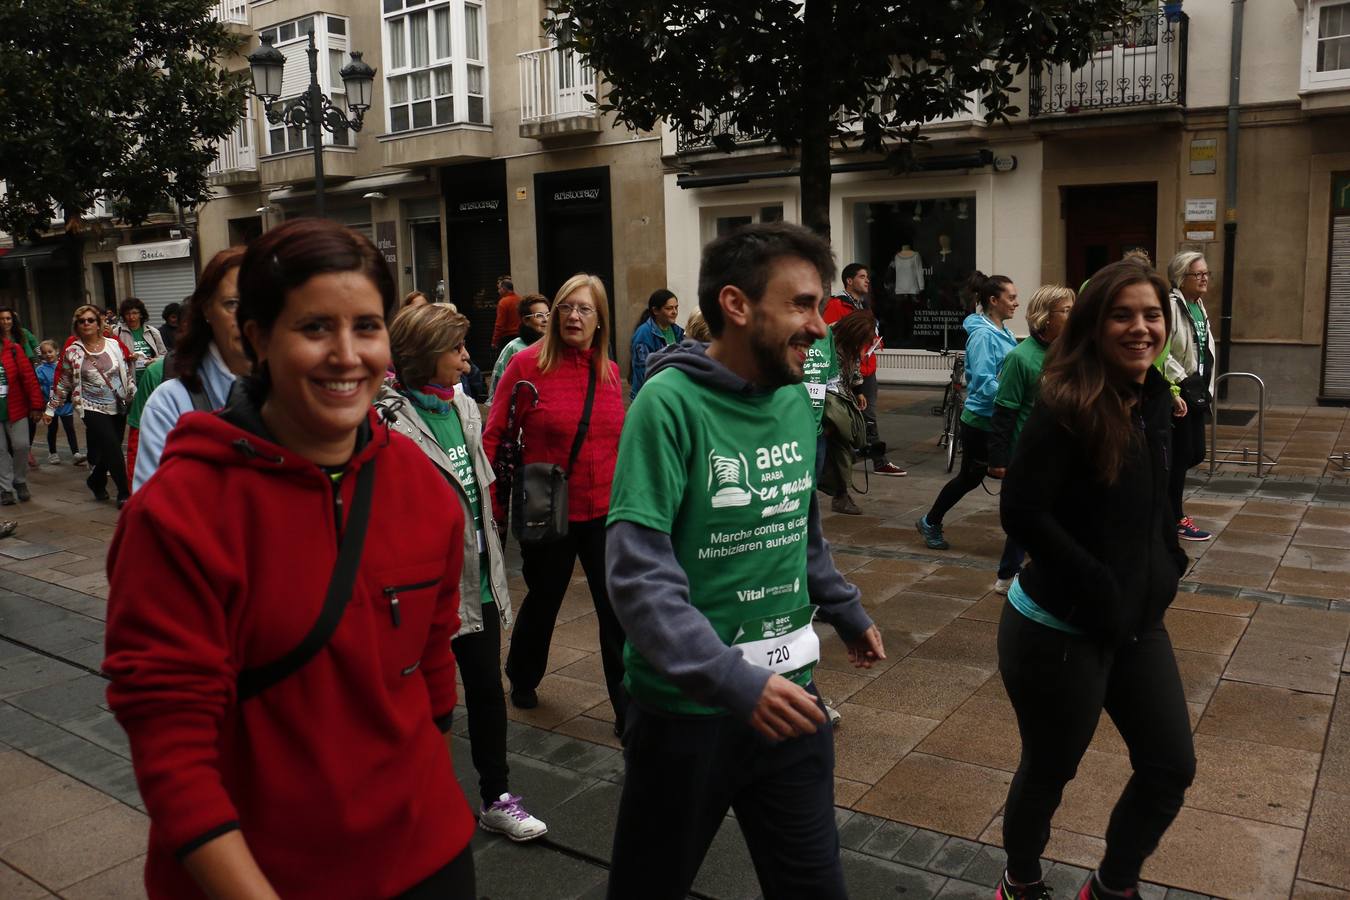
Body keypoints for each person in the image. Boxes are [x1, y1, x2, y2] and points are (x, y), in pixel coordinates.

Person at [103, 218, 478, 899]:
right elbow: (171, 749)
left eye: (366, 326)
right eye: (314, 328)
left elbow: (432, 663)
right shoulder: (178, 514)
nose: (347, 354)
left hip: (428, 857)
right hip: (263, 875)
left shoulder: (425, 488)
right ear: (257, 340)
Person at [604, 222, 884, 900]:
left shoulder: (792, 397)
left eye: (819, 305)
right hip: (687, 714)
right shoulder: (667, 405)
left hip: (790, 698)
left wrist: (843, 607)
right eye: (802, 305)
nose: (820, 326)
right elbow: (638, 574)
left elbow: (796, 521)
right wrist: (730, 680)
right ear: (736, 305)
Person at [995, 259, 1194, 900]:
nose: (1141, 328)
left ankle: (1111, 887)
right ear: (1094, 324)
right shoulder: (1067, 404)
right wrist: (1100, 584)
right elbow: (1022, 511)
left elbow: (1159, 496)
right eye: (1123, 314)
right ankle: (1020, 881)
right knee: (1052, 768)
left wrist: (1167, 558)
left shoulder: (1157, 397)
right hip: (1058, 627)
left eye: (1152, 314)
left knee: (1169, 767)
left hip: (1138, 623)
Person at [376, 303, 547, 842]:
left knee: (486, 691)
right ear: (427, 356)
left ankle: (496, 797)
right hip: (421, 590)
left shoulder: (466, 407)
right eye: (456, 349)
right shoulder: (386, 420)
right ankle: (416, 798)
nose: (468, 358)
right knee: (422, 698)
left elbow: (479, 488)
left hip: (478, 575)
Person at [483, 273, 628, 730]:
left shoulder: (609, 371)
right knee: (545, 596)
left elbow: (619, 441)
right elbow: (494, 436)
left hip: (603, 506)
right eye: (566, 307)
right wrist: (491, 507)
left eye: (584, 309)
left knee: (615, 609)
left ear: (600, 319)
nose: (573, 316)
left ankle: (628, 712)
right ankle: (522, 674)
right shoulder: (526, 367)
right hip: (544, 496)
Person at [133, 248, 253, 492]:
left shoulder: (298, 391)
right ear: (207, 309)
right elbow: (154, 511)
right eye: (233, 303)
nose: (247, 316)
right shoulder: (170, 403)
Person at [916, 272, 1019, 550]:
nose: (1016, 303)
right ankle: (930, 521)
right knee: (970, 478)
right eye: (1011, 298)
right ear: (993, 300)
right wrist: (1016, 396)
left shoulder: (1002, 331)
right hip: (982, 421)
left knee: (993, 477)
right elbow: (985, 384)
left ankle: (1020, 538)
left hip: (996, 419)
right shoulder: (983, 337)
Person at [987, 285, 1075, 594]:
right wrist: (998, 459)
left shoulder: (1068, 354)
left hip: (1063, 451)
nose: (1072, 315)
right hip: (1029, 453)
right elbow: (1004, 412)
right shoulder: (1020, 359)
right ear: (1045, 317)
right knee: (1030, 515)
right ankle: (1008, 575)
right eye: (1065, 310)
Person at [44, 305, 135, 506]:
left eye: (90, 320)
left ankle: (95, 481)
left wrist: (132, 393)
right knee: (112, 446)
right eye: (81, 321)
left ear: (98, 323)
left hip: (118, 403)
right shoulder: (72, 352)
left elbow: (125, 372)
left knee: (112, 447)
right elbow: (65, 382)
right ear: (77, 325)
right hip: (91, 407)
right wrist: (51, 408)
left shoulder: (113, 344)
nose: (86, 323)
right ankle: (123, 493)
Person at [823, 264, 906, 477]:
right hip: (847, 372)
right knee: (863, 416)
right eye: (862, 277)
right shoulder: (837, 304)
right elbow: (830, 336)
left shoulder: (863, 305)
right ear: (849, 281)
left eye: (867, 276)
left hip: (867, 369)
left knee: (866, 414)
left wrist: (874, 342)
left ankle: (864, 456)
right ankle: (876, 460)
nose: (867, 280)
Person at [1162, 251, 1215, 543]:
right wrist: (1177, 383)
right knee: (1181, 456)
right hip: (1180, 389)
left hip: (1198, 389)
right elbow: (1163, 350)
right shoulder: (1171, 307)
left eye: (1207, 272)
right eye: (1199, 274)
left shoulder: (1198, 306)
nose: (1205, 278)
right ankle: (1175, 517)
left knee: (1196, 453)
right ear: (1182, 278)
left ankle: (1165, 509)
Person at [0, 323, 44, 504]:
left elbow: (29, 378)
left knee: (22, 445)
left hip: (15, 407)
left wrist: (36, 405)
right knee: (0, 450)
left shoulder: (14, 350)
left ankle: (19, 480)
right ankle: (5, 489)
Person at [489, 293, 548, 399]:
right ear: (525, 320)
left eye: (548, 314)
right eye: (539, 315)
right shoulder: (513, 348)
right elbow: (498, 388)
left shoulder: (557, 346)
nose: (546, 320)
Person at [629, 289, 684, 399]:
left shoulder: (678, 331)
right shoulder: (643, 334)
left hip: (669, 392)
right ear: (655, 311)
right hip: (647, 395)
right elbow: (642, 371)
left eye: (676, 307)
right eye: (669, 308)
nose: (675, 312)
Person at [36, 340, 83, 465]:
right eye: (45, 353)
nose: (48, 355)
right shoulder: (40, 370)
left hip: (66, 405)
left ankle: (76, 453)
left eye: (50, 351)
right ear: (41, 355)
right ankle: (52, 453)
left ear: (57, 351)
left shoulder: (64, 366)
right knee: (52, 429)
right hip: (50, 406)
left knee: (70, 429)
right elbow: (36, 386)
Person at [114, 297, 169, 383]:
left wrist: (155, 361)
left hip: (151, 379)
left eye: (135, 313)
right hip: (129, 381)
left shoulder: (152, 332)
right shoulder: (117, 332)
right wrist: (127, 358)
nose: (131, 317)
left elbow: (164, 356)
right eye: (127, 314)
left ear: (141, 314)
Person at [490, 275, 522, 351]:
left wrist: (495, 341)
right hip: (521, 335)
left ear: (504, 289)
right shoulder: (521, 300)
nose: (498, 291)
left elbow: (499, 324)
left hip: (507, 337)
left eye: (499, 288)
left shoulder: (503, 302)